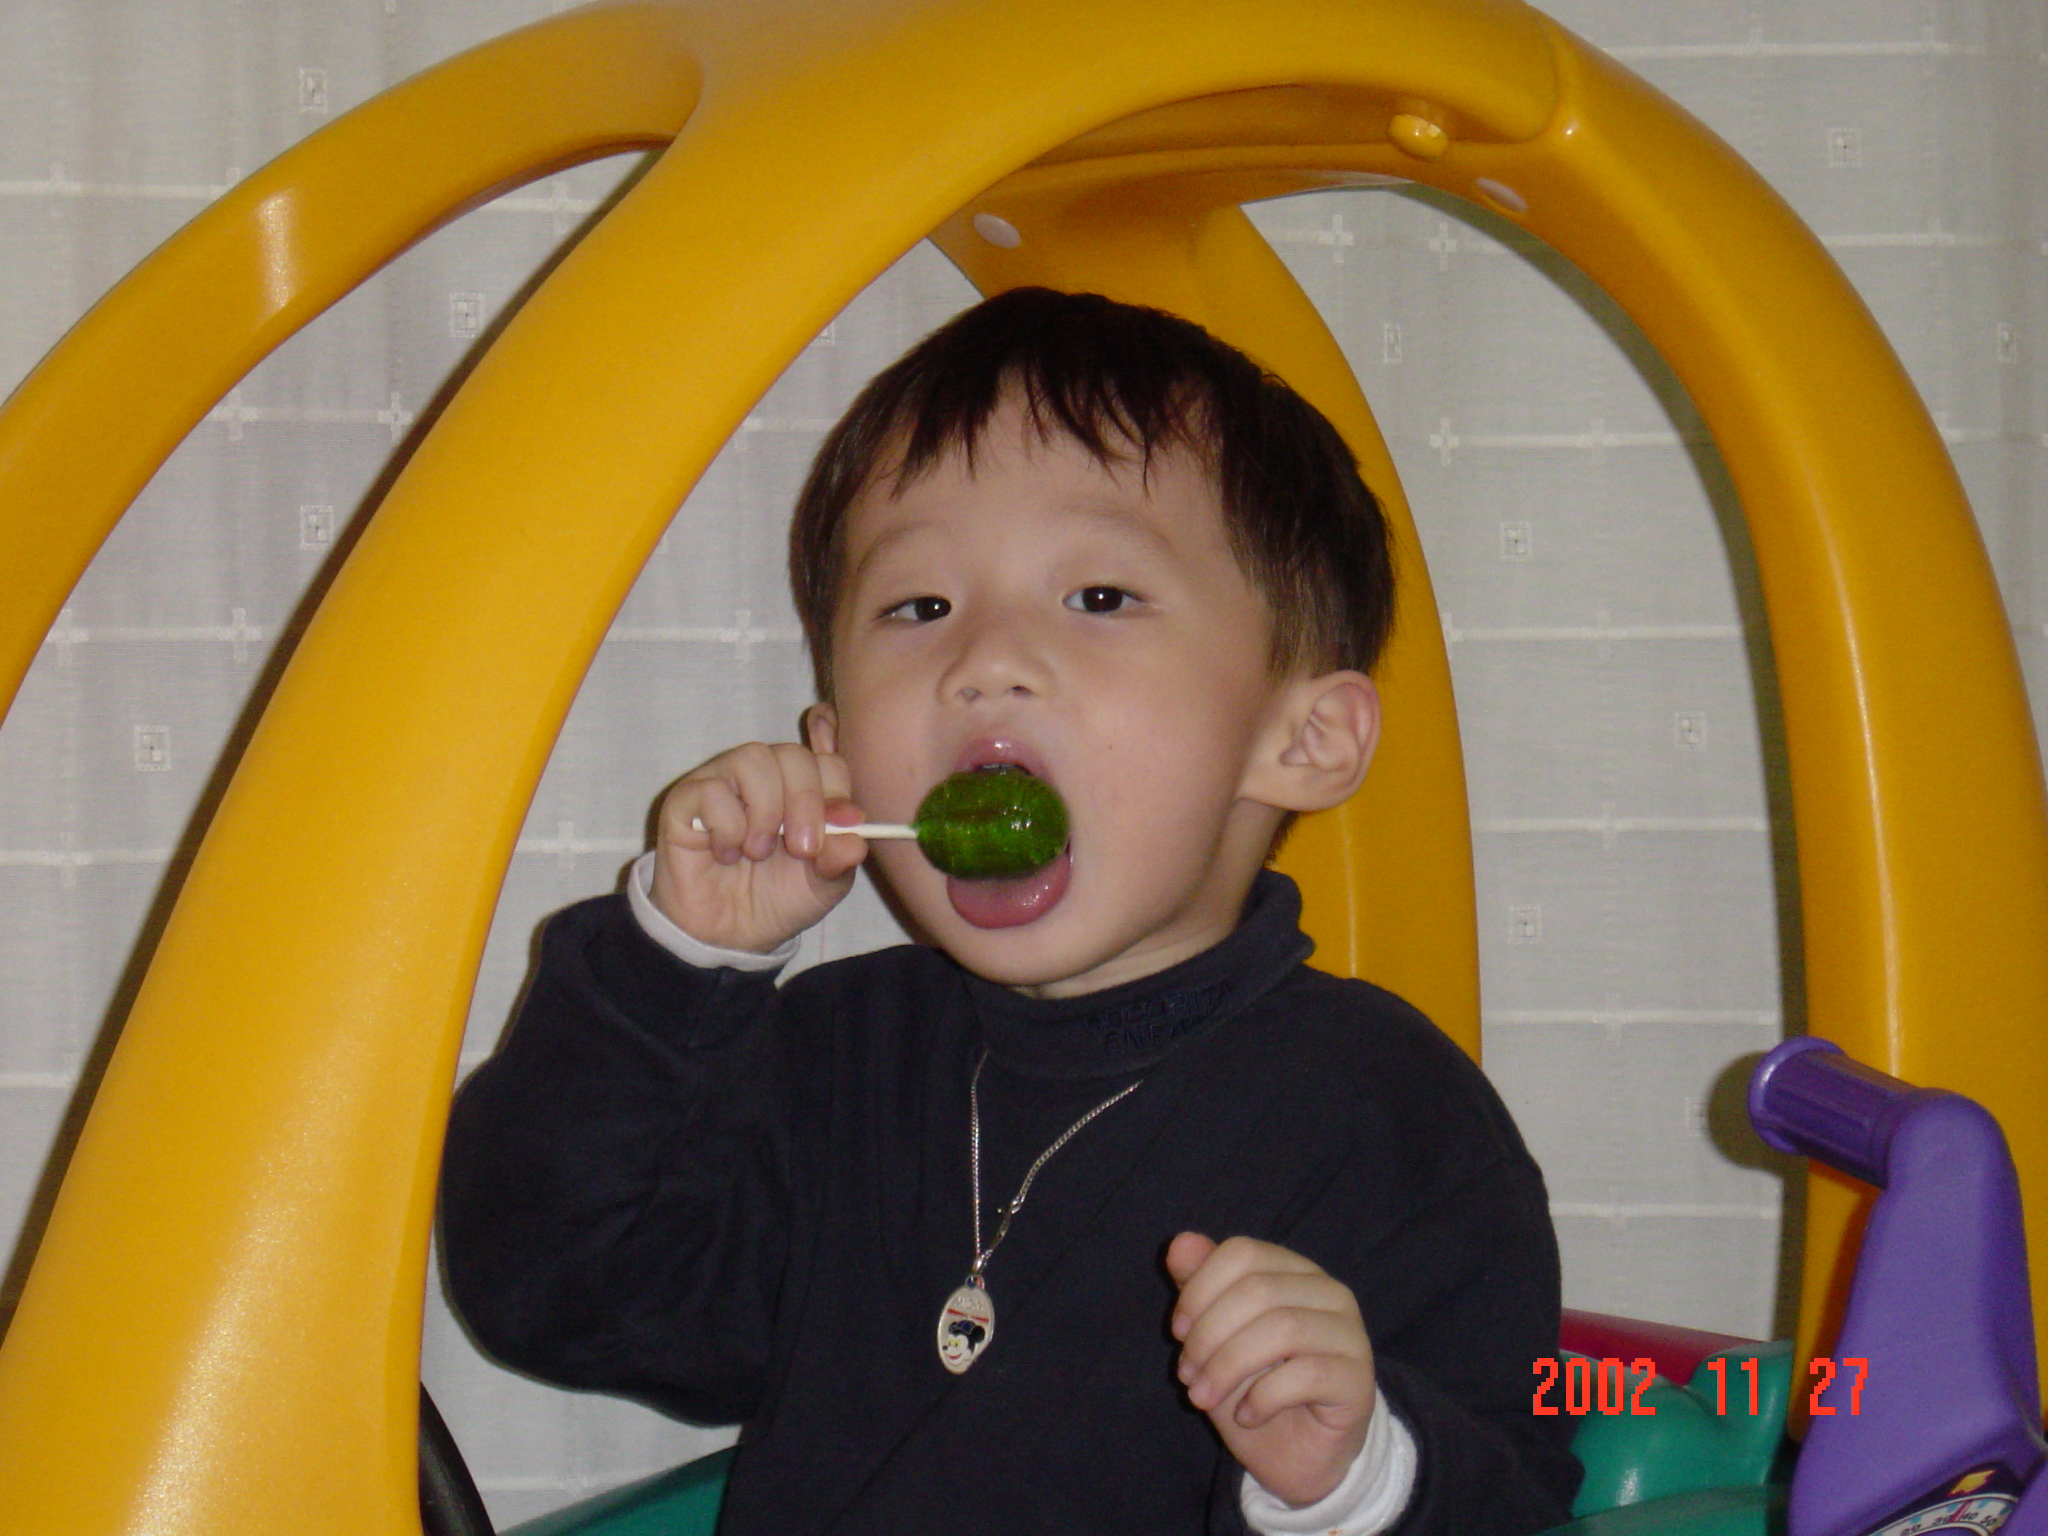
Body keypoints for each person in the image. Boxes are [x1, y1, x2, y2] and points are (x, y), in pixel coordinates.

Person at [439, 288, 1582, 1534]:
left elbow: (1511, 1499)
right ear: (835, 747)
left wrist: (1349, 1476)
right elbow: (550, 1291)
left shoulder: (1389, 1122)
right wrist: (675, 964)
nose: (982, 659)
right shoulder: (832, 1057)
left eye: (1098, 596)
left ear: (1299, 740)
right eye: (918, 608)